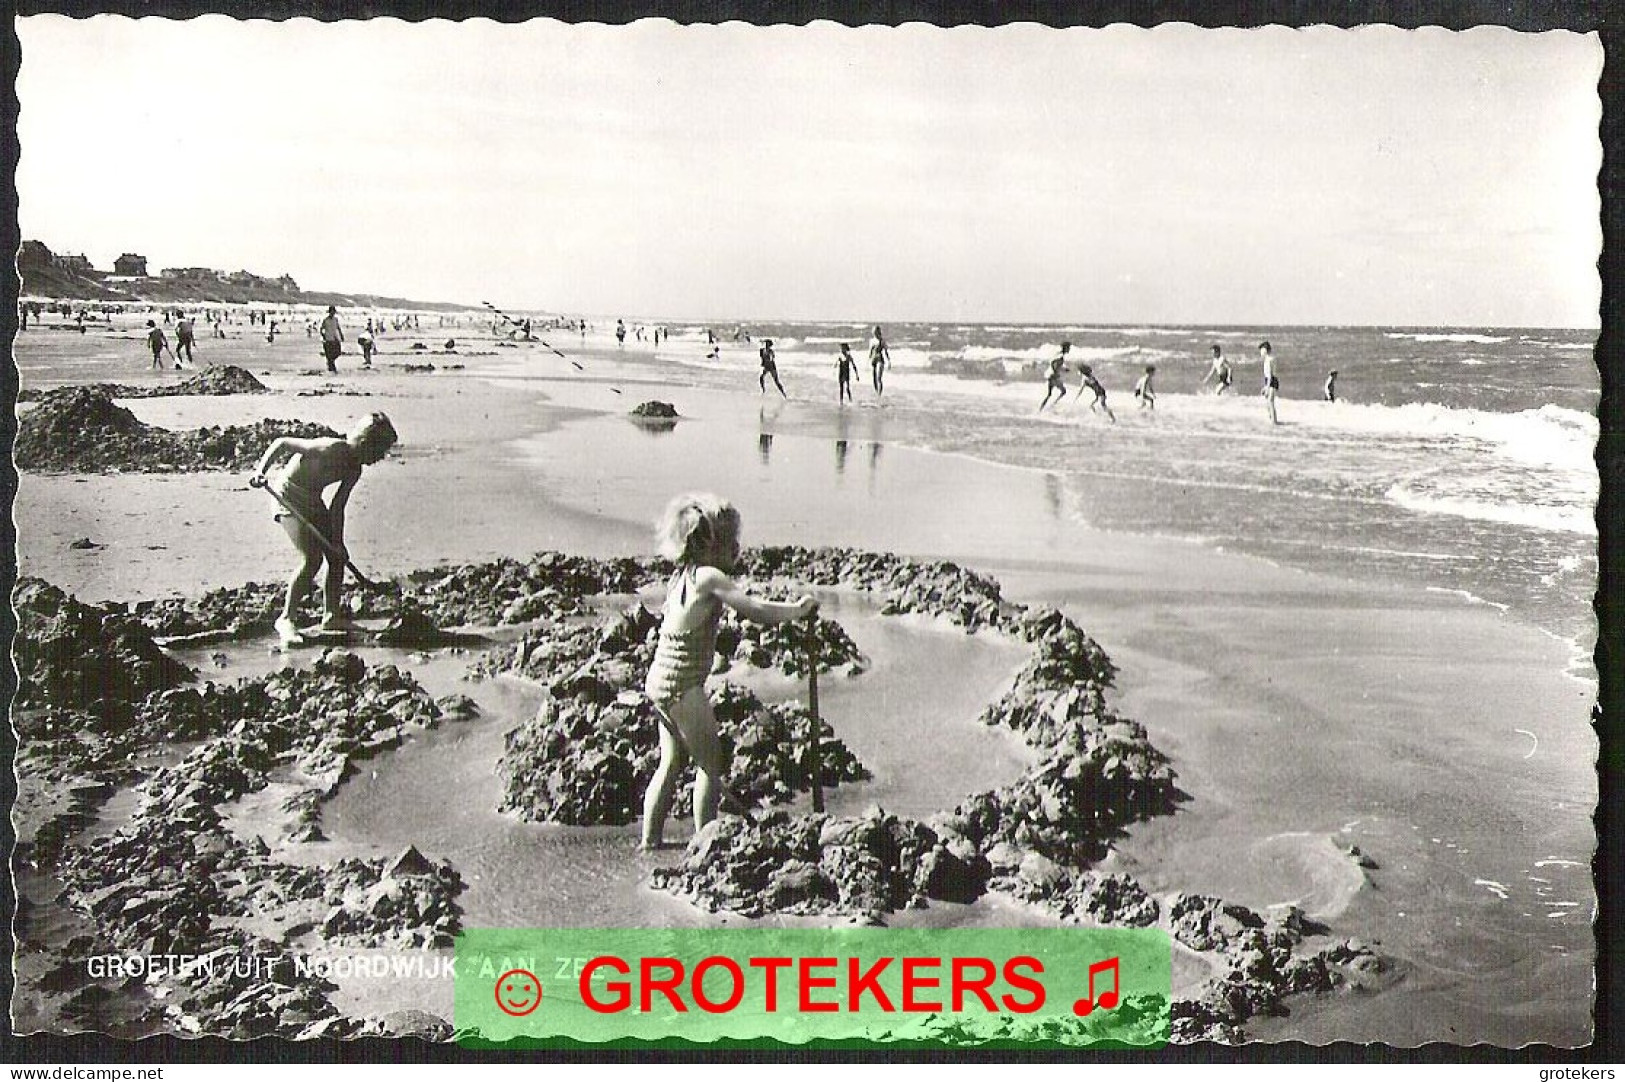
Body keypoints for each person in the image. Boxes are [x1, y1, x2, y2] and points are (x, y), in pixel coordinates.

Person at [640, 493, 817, 849]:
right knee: (711, 766)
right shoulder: (708, 577)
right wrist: (797, 610)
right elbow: (755, 609)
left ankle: (650, 840)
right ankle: (706, 846)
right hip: (682, 686)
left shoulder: (681, 578)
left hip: (658, 683)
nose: (736, 549)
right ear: (711, 543)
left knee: (671, 764)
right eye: (731, 541)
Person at [251, 412, 399, 645]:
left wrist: (338, 543)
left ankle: (331, 616)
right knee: (312, 559)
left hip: (313, 501)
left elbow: (337, 507)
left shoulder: (354, 470)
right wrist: (261, 471)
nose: (381, 458)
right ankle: (286, 619)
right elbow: (281, 443)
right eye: (379, 451)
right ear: (365, 444)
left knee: (336, 556)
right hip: (287, 497)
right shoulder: (328, 448)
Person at [1039, 342, 1071, 411]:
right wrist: (1057, 371)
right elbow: (1055, 364)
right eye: (1069, 348)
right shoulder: (1061, 356)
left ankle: (1041, 409)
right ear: (1066, 348)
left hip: (1051, 376)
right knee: (1063, 392)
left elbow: (1054, 363)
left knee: (1049, 394)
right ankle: (1052, 405)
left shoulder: (1058, 354)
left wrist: (1063, 369)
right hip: (1054, 377)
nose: (1069, 349)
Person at [1260, 340, 1280, 424]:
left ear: (1265, 350)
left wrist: (1267, 387)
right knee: (1269, 402)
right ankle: (1272, 419)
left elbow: (1269, 376)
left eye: (1261, 350)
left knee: (1270, 402)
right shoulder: (1271, 359)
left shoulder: (1268, 360)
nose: (1260, 353)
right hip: (1271, 380)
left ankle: (1273, 421)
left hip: (1271, 381)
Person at [319, 306, 344, 373]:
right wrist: (323, 335)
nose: (333, 313)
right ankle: (331, 368)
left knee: (338, 352)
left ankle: (331, 364)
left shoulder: (335, 319)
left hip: (335, 338)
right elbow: (321, 328)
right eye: (332, 312)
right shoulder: (325, 320)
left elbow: (338, 328)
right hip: (328, 339)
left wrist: (341, 335)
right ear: (330, 312)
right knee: (329, 354)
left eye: (334, 312)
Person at [868, 326, 890, 396]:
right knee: (874, 378)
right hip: (873, 359)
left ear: (878, 332)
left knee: (879, 378)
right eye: (873, 332)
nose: (874, 333)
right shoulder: (871, 340)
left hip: (880, 359)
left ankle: (879, 394)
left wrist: (889, 361)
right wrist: (868, 360)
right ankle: (876, 391)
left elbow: (886, 352)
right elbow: (870, 351)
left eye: (875, 331)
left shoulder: (882, 341)